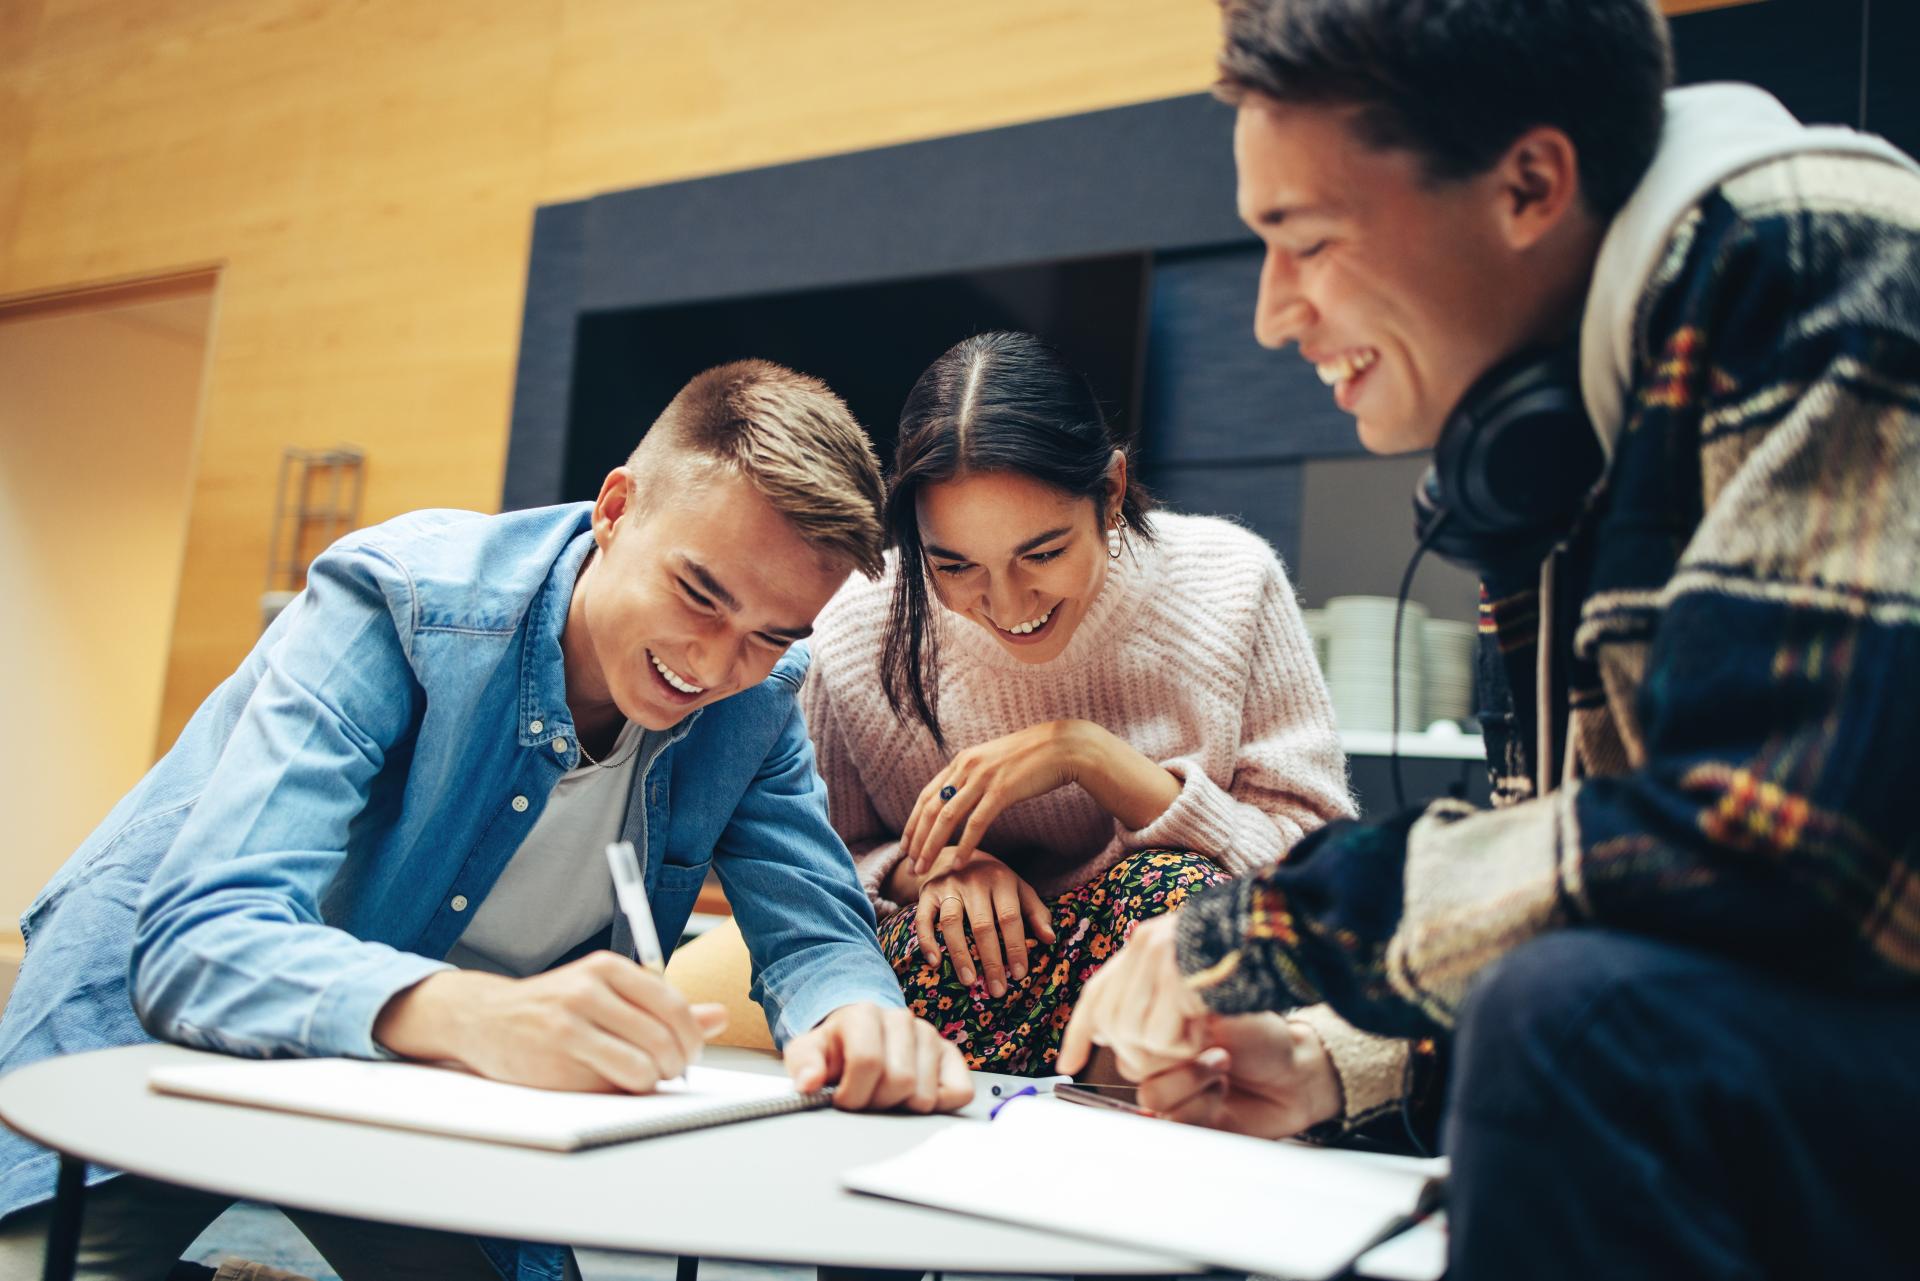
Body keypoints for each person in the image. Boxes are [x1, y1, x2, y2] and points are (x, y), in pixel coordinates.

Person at [1060, 1, 1920, 1277]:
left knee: (1566, 1022)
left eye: (1304, 240)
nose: (1271, 314)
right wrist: (1342, 1067)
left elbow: (1777, 851)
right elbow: (1625, 905)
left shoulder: (1819, 262)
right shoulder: (1553, 430)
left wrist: (1250, 930)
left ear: (1529, 183)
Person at [0, 360, 971, 1281]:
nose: (717, 667)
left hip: (415, 1080)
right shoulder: (406, 603)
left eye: (770, 635)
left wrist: (862, 1018)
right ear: (617, 509)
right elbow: (200, 943)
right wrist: (479, 1016)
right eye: (698, 594)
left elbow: (817, 937)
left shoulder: (757, 705)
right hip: (147, 1040)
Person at [796, 330, 1352, 1075]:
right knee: (922, 958)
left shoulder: (1228, 583)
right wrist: (937, 869)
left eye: (1044, 553)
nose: (1005, 603)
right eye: (954, 564)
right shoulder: (858, 623)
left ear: (1113, 490)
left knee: (1177, 905)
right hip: (976, 976)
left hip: (1172, 975)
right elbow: (813, 865)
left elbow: (1320, 877)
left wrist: (1087, 755)